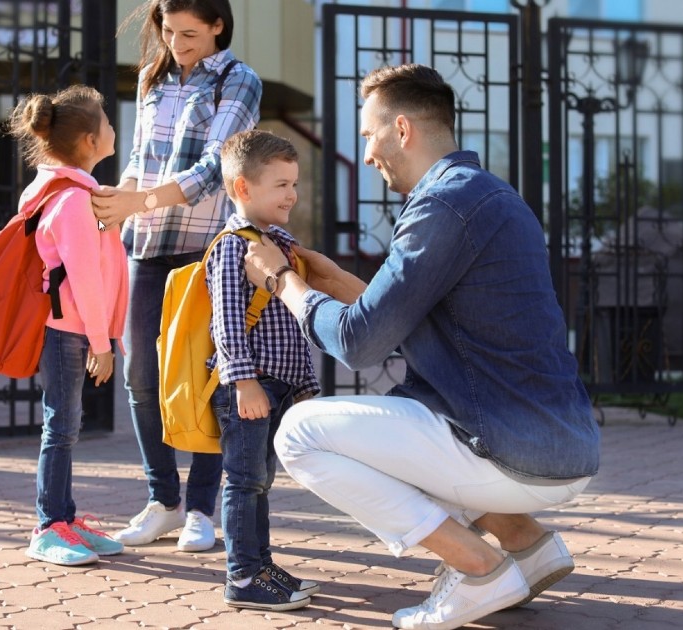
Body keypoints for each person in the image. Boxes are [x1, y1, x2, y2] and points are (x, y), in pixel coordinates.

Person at [242, 63, 601, 630]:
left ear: (402, 129)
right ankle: (528, 545)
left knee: (301, 434)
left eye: (368, 137)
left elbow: (360, 343)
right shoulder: (490, 195)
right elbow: (411, 322)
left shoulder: (441, 207)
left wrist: (281, 282)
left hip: (513, 448)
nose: (366, 155)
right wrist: (333, 280)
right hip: (560, 442)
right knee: (396, 425)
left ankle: (479, 567)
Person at [92, 0, 262, 553]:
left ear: (218, 26)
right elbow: (142, 155)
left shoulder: (240, 81)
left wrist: (139, 199)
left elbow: (215, 169)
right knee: (142, 374)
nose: (177, 43)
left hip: (202, 250)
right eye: (168, 31)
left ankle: (201, 510)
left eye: (190, 33)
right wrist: (118, 202)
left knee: (203, 378)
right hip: (144, 244)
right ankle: (162, 501)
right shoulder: (151, 77)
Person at [7, 85, 129, 566]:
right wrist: (101, 343)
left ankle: (64, 517)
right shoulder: (73, 200)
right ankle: (48, 526)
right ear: (88, 140)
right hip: (68, 328)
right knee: (60, 426)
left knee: (66, 424)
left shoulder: (58, 188)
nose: (114, 128)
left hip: (67, 325)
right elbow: (84, 278)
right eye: (108, 122)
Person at [208, 130, 321, 611]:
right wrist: (244, 380)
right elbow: (227, 320)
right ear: (242, 189)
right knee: (243, 481)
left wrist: (303, 385)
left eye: (294, 183)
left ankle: (261, 564)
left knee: (261, 481)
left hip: (274, 388)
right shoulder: (234, 247)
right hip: (248, 387)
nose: (292, 194)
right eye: (280, 184)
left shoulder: (280, 244)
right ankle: (242, 575)